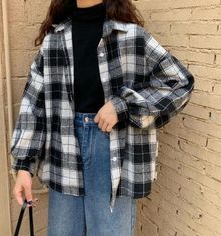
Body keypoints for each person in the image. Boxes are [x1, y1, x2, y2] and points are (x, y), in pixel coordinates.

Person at [10, 0, 195, 235]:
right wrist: (23, 166)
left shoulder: (131, 36)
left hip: (113, 151)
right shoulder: (53, 42)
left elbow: (179, 82)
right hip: (63, 150)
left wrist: (123, 105)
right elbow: (33, 106)